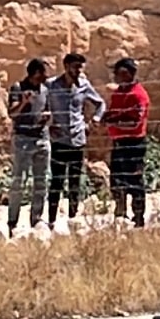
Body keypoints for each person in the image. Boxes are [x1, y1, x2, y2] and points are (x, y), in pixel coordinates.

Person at [43, 52, 100, 230]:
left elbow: (100, 103)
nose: (78, 71)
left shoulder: (84, 85)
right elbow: (41, 104)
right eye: (75, 67)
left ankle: (72, 219)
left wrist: (95, 119)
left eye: (80, 67)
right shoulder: (51, 85)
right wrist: (48, 124)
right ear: (66, 66)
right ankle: (51, 220)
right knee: (57, 181)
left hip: (78, 139)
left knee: (75, 181)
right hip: (59, 140)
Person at [102, 55, 152, 227]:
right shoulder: (118, 93)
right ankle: (120, 214)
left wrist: (112, 122)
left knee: (135, 180)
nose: (116, 75)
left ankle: (138, 218)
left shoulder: (139, 95)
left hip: (134, 143)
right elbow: (114, 113)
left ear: (129, 74)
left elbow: (134, 123)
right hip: (118, 142)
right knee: (117, 180)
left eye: (119, 72)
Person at [4, 58, 52, 233]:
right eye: (44, 72)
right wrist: (24, 102)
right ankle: (12, 221)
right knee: (19, 181)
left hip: (42, 137)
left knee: (42, 181)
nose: (47, 77)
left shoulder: (45, 90)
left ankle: (36, 218)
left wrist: (47, 117)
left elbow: (47, 109)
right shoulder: (18, 88)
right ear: (36, 73)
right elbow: (12, 113)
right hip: (23, 139)